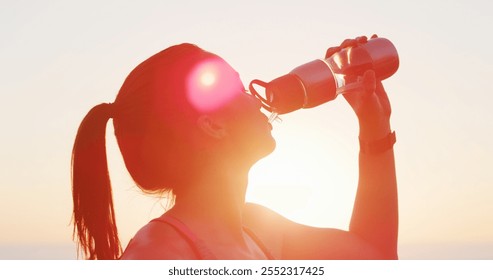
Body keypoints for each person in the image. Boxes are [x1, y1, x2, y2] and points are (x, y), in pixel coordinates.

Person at [71, 35, 398, 260]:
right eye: (238, 87)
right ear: (213, 125)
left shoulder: (257, 230)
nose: (254, 96)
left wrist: (375, 124)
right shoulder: (159, 254)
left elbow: (376, 257)